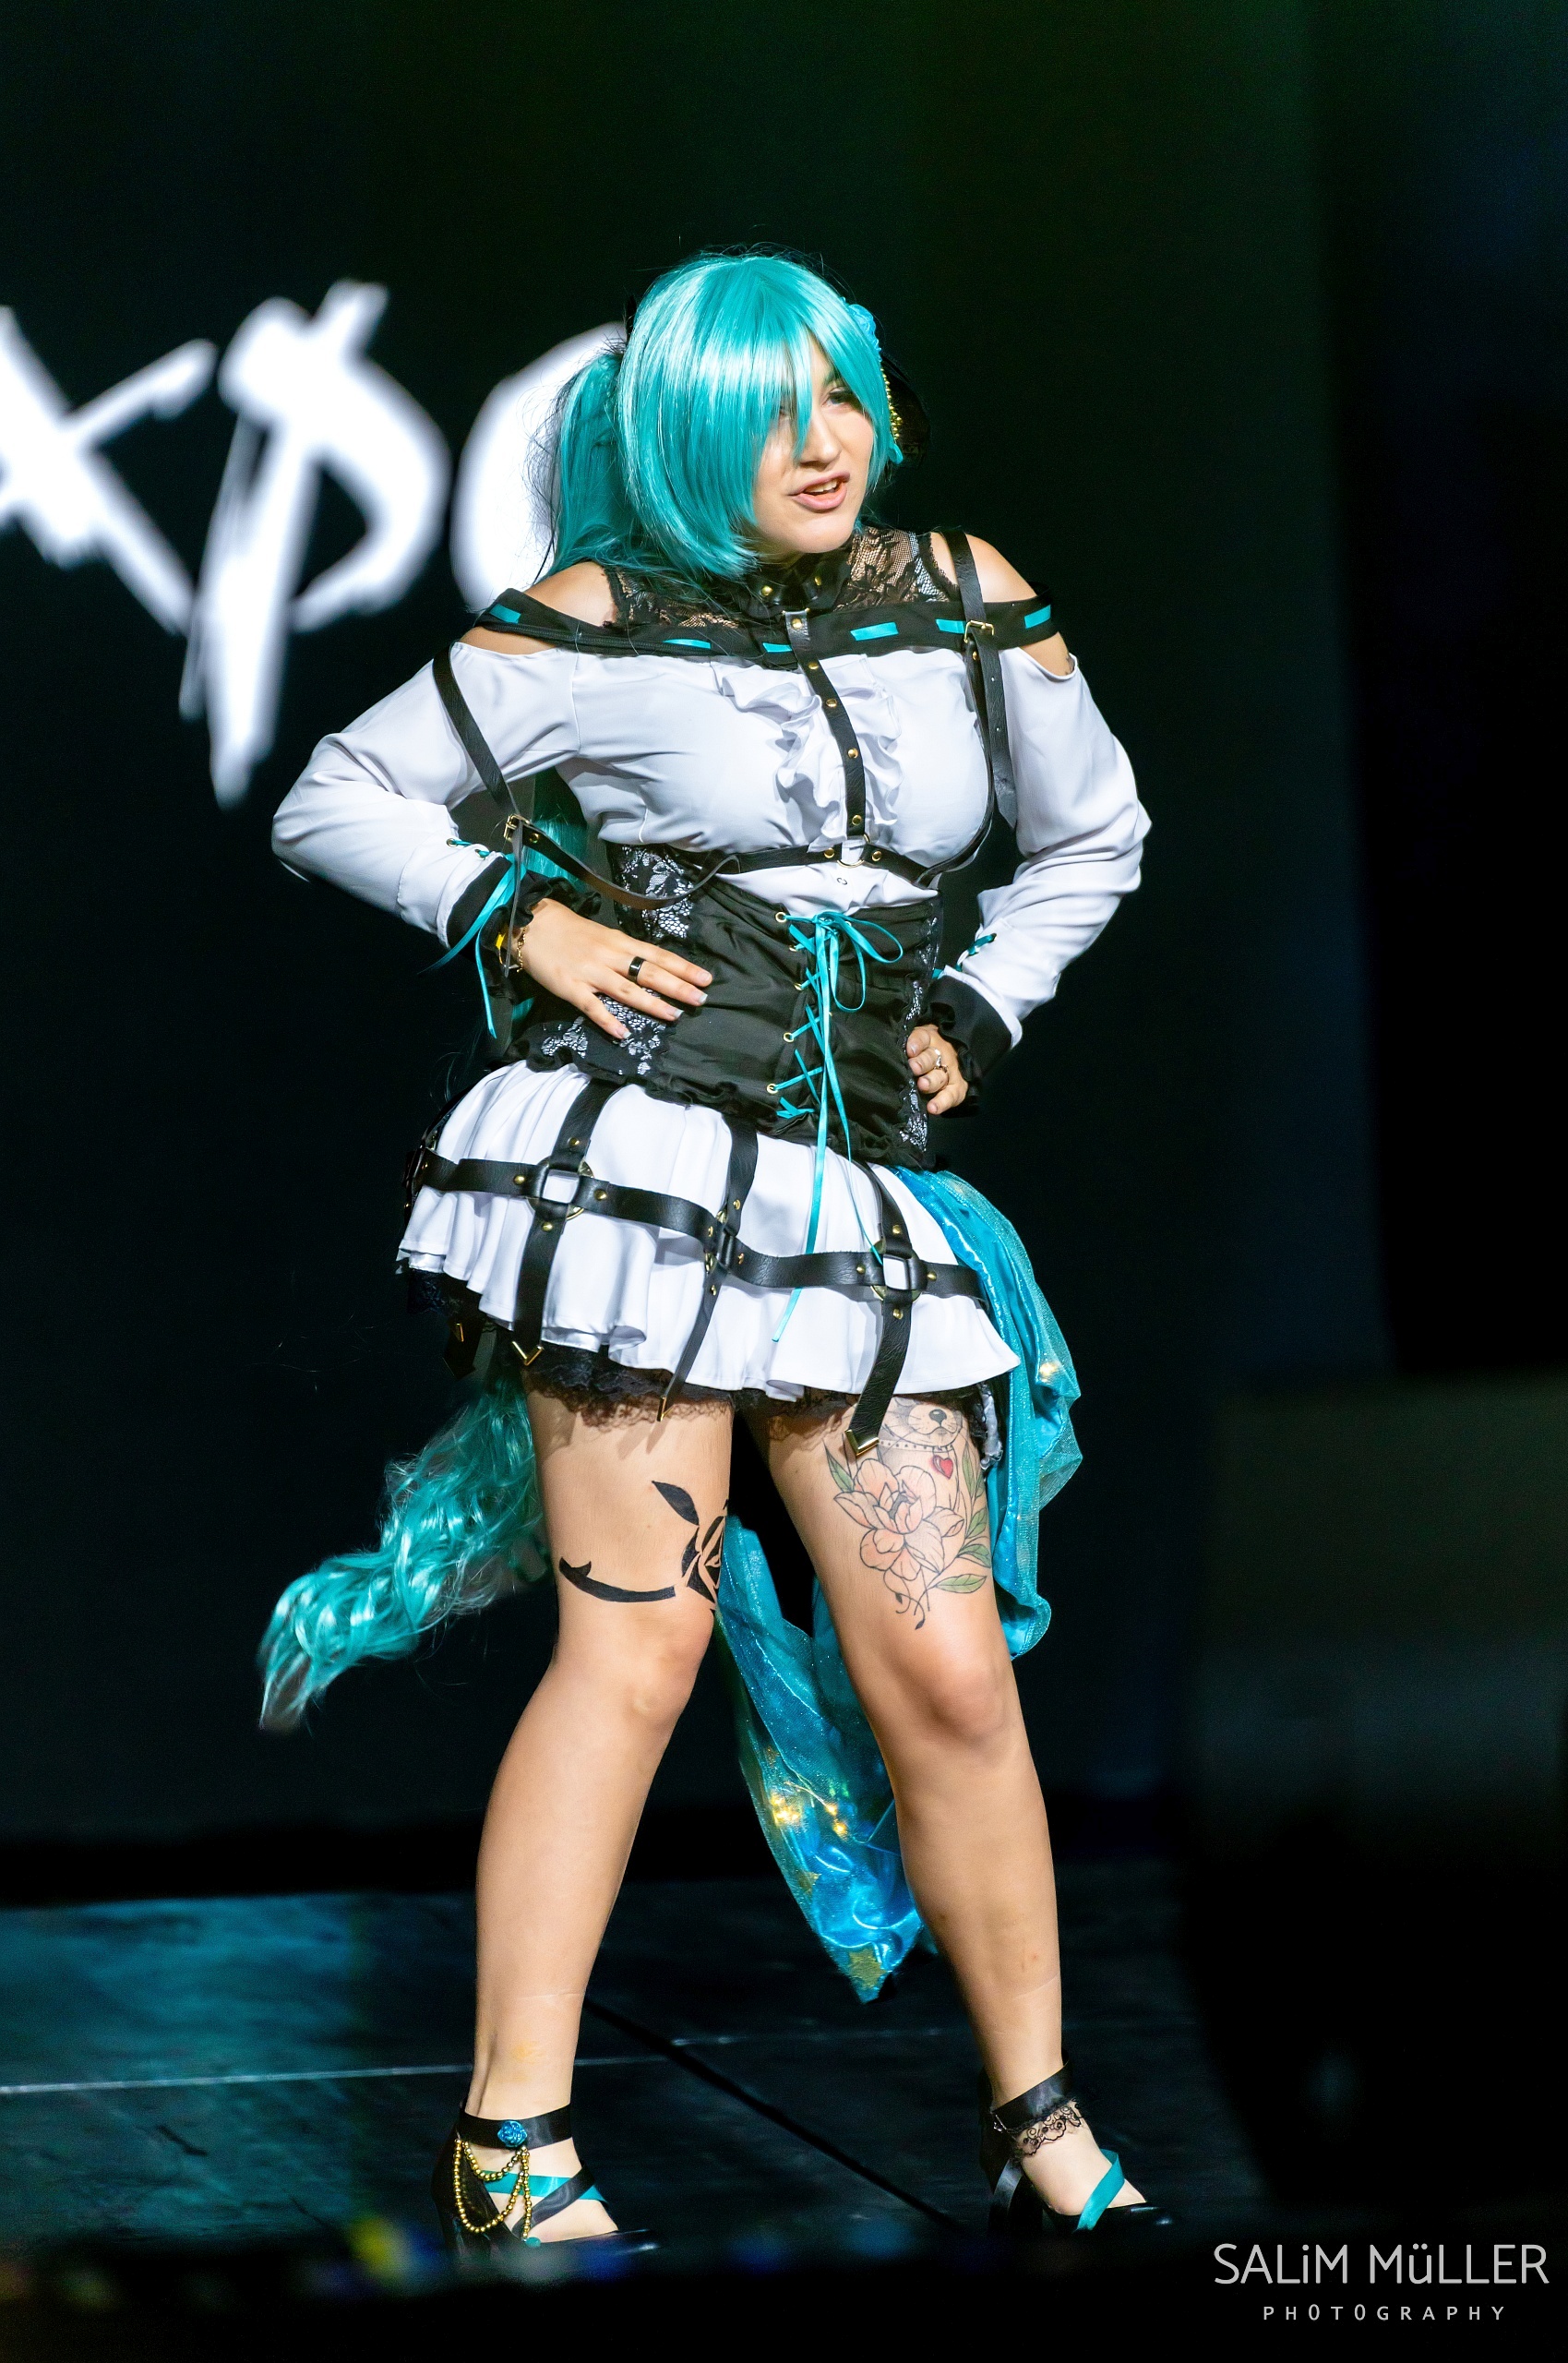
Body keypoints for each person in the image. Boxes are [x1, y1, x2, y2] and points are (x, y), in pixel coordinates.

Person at [260, 250, 1154, 2249]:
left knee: (948, 1673)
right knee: (638, 1647)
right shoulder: (591, 620)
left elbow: (1094, 831)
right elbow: (339, 794)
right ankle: (510, 2137)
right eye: (765, 412)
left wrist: (987, 1000)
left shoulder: (967, 593)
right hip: (641, 1186)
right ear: (677, 433)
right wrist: (524, 918)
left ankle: (1041, 2122)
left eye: (841, 394)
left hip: (850, 1199)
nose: (821, 444)